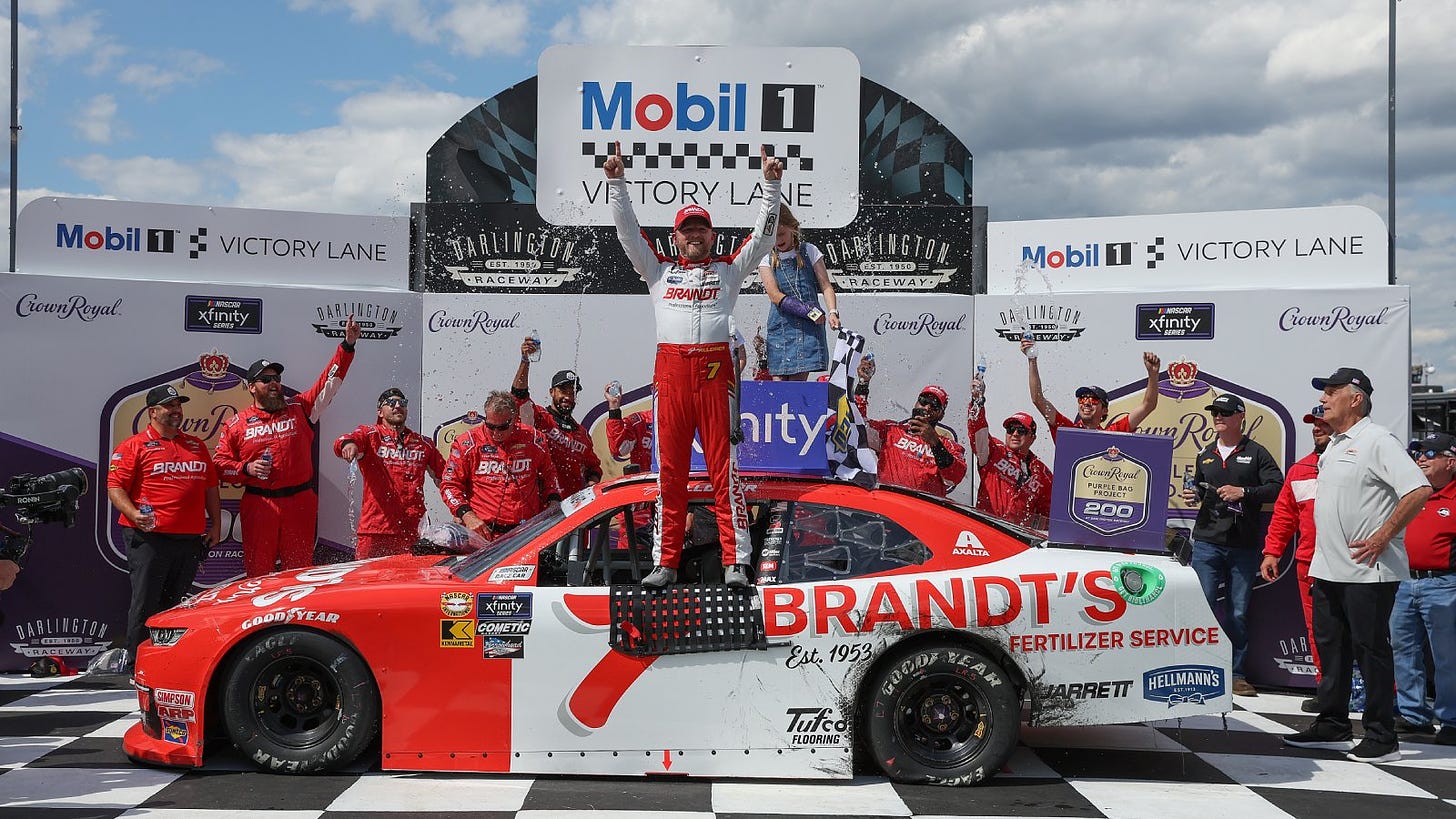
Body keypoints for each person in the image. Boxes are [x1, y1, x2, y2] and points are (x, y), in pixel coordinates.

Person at [604, 140, 781, 589]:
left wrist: (772, 185)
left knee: (725, 473)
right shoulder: (657, 270)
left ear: (713, 235)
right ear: (676, 237)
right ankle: (665, 561)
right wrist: (617, 184)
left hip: (715, 376)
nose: (695, 235)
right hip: (671, 376)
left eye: (702, 228)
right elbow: (627, 233)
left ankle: (736, 561)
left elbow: (762, 238)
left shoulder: (729, 269)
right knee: (671, 474)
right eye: (688, 229)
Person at [1283, 367, 1431, 764]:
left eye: (1332, 392)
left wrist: (1383, 536)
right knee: (1332, 650)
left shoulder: (1377, 439)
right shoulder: (1332, 445)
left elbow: (1419, 489)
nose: (1325, 398)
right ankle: (1333, 725)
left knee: (1371, 651)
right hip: (1328, 568)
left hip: (1369, 570)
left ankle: (1383, 737)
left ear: (1356, 398)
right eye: (1324, 392)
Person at [215, 317, 359, 577]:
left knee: (298, 572)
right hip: (259, 504)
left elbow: (331, 379)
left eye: (276, 378)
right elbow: (220, 466)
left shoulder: (300, 408)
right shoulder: (236, 424)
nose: (273, 383)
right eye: (265, 379)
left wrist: (347, 346)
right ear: (251, 388)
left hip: (299, 501)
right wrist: (246, 468)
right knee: (259, 572)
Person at [106, 384, 221, 666]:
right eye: (169, 406)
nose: (175, 411)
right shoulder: (133, 446)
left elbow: (210, 488)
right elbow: (115, 487)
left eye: (178, 406)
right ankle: (136, 662)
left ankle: (168, 660)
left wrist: (216, 524)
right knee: (146, 601)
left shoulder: (195, 445)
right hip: (149, 537)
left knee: (176, 603)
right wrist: (133, 514)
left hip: (189, 539)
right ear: (152, 411)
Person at [1180, 393, 1284, 697]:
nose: (1218, 417)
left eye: (1225, 412)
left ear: (1241, 417)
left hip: (1243, 545)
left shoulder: (1257, 452)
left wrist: (1244, 492)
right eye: (1215, 412)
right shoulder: (1205, 453)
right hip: (1207, 542)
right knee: (1202, 607)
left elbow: (1277, 488)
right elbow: (1198, 487)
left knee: (1237, 612)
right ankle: (1196, 667)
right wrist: (1194, 497)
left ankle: (1236, 673)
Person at [1261, 404, 1333, 706]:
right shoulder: (1300, 469)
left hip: (1352, 564)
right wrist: (1272, 552)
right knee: (1317, 632)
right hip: (1309, 563)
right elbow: (1284, 516)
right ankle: (1327, 692)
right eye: (1314, 424)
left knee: (1364, 633)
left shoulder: (1357, 463)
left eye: (1323, 423)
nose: (1317, 428)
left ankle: (1383, 697)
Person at [1389, 431, 1456, 744]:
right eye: (1417, 453)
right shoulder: (1412, 492)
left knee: (1448, 656)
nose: (1420, 459)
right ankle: (1414, 715)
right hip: (1404, 580)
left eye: (1429, 454)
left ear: (1450, 461)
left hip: (1444, 583)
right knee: (1404, 651)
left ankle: (1452, 719)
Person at [333, 388, 446, 558]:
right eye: (391, 403)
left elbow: (447, 480)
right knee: (367, 582)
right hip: (376, 530)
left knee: (411, 582)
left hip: (413, 531)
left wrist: (462, 512)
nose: (398, 406)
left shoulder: (424, 444)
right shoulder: (371, 435)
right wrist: (348, 445)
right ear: (380, 411)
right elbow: (344, 440)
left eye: (403, 403)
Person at [440, 391, 562, 542]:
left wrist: (554, 502)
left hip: (526, 533)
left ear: (514, 419)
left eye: (503, 427)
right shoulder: (468, 442)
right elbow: (449, 485)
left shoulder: (534, 439)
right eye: (491, 426)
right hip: (483, 534)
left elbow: (550, 475)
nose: (496, 433)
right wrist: (466, 515)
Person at [757, 204, 840, 380]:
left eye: (781, 234)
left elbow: (826, 286)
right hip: (781, 328)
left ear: (793, 229)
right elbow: (774, 295)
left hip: (808, 330)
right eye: (773, 236)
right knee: (778, 388)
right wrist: (807, 311)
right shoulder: (766, 256)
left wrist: (832, 312)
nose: (778, 240)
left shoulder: (809, 250)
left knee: (798, 388)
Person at [1022, 337, 1161, 440]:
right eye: (1082, 399)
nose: (1087, 402)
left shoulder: (1112, 434)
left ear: (1105, 410)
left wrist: (1153, 375)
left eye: (1094, 399)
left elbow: (1148, 406)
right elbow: (1037, 399)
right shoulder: (1067, 430)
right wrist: (1032, 360)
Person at [853, 374, 968, 498]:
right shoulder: (891, 430)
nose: (927, 407)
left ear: (941, 415)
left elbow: (954, 478)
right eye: (924, 401)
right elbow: (858, 427)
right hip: (886, 504)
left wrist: (935, 442)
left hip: (921, 511)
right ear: (916, 403)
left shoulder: (948, 445)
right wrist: (863, 384)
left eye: (934, 405)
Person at [511, 343, 603, 497]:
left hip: (569, 509)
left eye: (572, 392)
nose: (567, 396)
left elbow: (593, 468)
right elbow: (518, 396)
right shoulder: (538, 417)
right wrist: (524, 361)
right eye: (563, 391)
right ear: (551, 392)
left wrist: (591, 484)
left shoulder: (582, 434)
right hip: (539, 506)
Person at [967, 372, 1051, 527]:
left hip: (1018, 539)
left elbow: (1047, 515)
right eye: (1011, 429)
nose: (1015, 434)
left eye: (1022, 431)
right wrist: (977, 401)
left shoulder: (1042, 474)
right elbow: (978, 430)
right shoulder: (994, 451)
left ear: (1033, 438)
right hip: (986, 528)